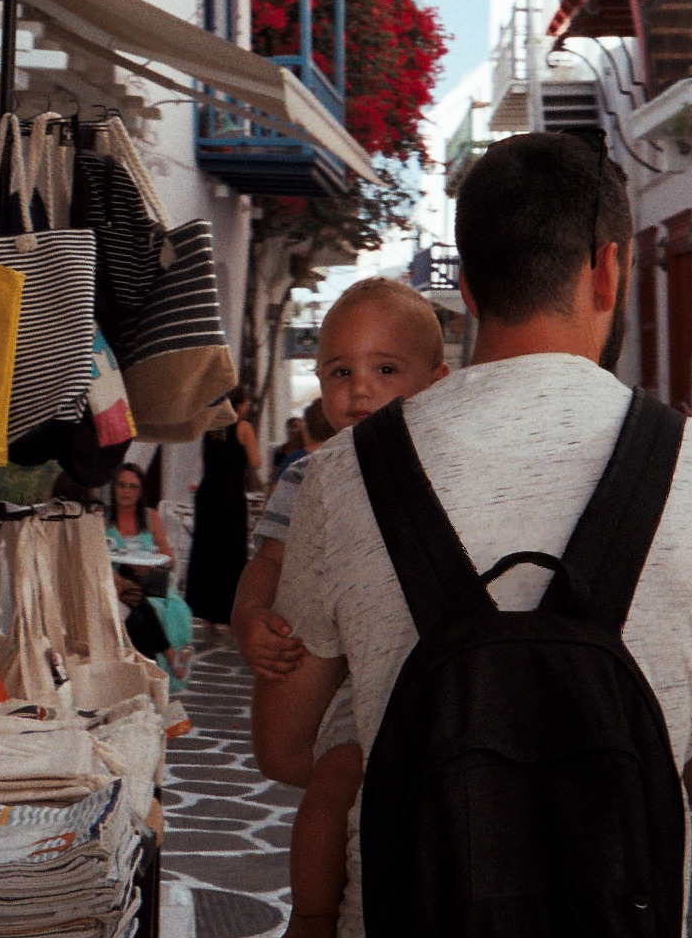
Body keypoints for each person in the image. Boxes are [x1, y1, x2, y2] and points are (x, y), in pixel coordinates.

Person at [256, 130, 692, 938]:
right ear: (607, 269)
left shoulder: (343, 476)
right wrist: (635, 748)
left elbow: (284, 747)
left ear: (468, 285)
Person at [233, 278, 450, 938]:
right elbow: (267, 565)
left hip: (423, 669)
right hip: (346, 673)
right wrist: (249, 620)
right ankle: (312, 914)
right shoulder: (309, 475)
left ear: (436, 381)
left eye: (385, 370)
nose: (359, 390)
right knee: (336, 774)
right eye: (339, 372)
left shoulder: (449, 470)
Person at [105, 462, 194, 690]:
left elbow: (169, 557)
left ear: (141, 491)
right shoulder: (103, 518)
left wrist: (151, 565)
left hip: (147, 581)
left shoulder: (150, 517)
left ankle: (159, 670)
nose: (126, 492)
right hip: (117, 582)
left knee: (165, 607)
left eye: (133, 487)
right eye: (122, 485)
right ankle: (167, 661)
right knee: (143, 605)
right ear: (114, 488)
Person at [184, 389, 260, 631]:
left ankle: (206, 612)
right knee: (231, 553)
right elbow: (256, 461)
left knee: (207, 552)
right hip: (230, 497)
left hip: (208, 496)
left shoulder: (211, 426)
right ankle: (227, 612)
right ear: (240, 405)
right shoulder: (243, 427)